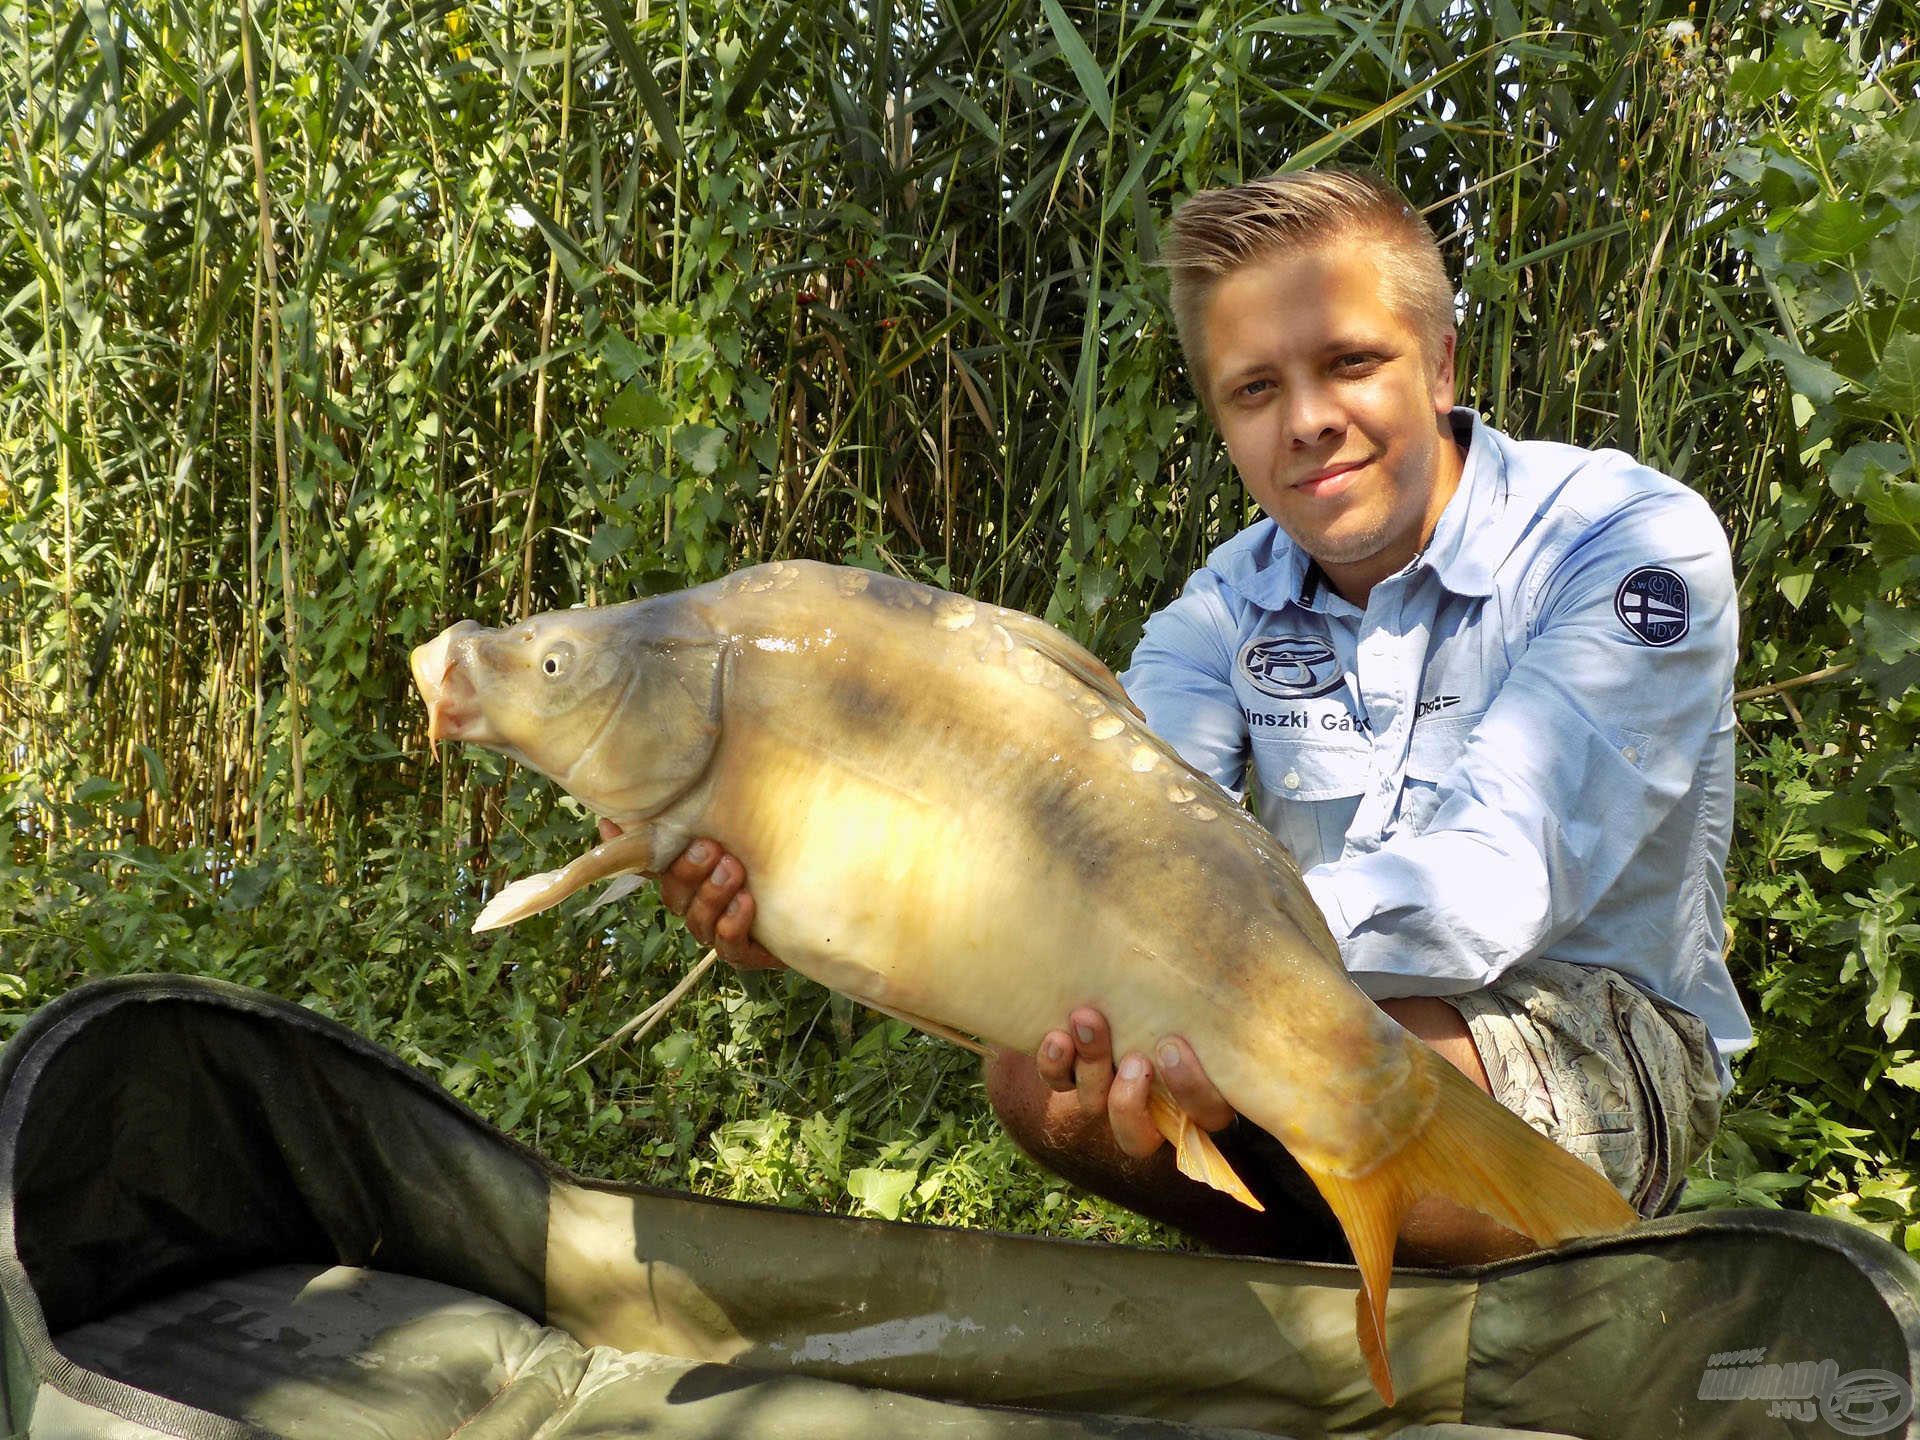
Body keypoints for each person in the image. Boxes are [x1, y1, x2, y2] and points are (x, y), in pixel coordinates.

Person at [642, 167, 1749, 1266]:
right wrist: (808, 908)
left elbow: (1494, 879)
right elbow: (1102, 834)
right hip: (1293, 998)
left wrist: (1194, 970)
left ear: (1443, 362)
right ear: (1221, 417)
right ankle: (1323, 1300)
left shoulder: (1625, 545)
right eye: (1255, 390)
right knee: (1040, 1074)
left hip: (1587, 1015)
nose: (1310, 421)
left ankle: (1480, 1276)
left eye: (1351, 363)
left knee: (1337, 1074)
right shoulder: (1221, 607)